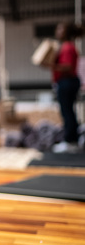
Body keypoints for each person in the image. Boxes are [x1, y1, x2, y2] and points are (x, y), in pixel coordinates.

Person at [47, 22, 82, 153]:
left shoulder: (67, 47)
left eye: (60, 28)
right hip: (69, 81)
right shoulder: (67, 46)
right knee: (69, 111)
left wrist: (50, 65)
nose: (57, 31)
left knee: (67, 111)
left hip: (67, 81)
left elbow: (67, 66)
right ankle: (72, 139)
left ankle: (70, 141)